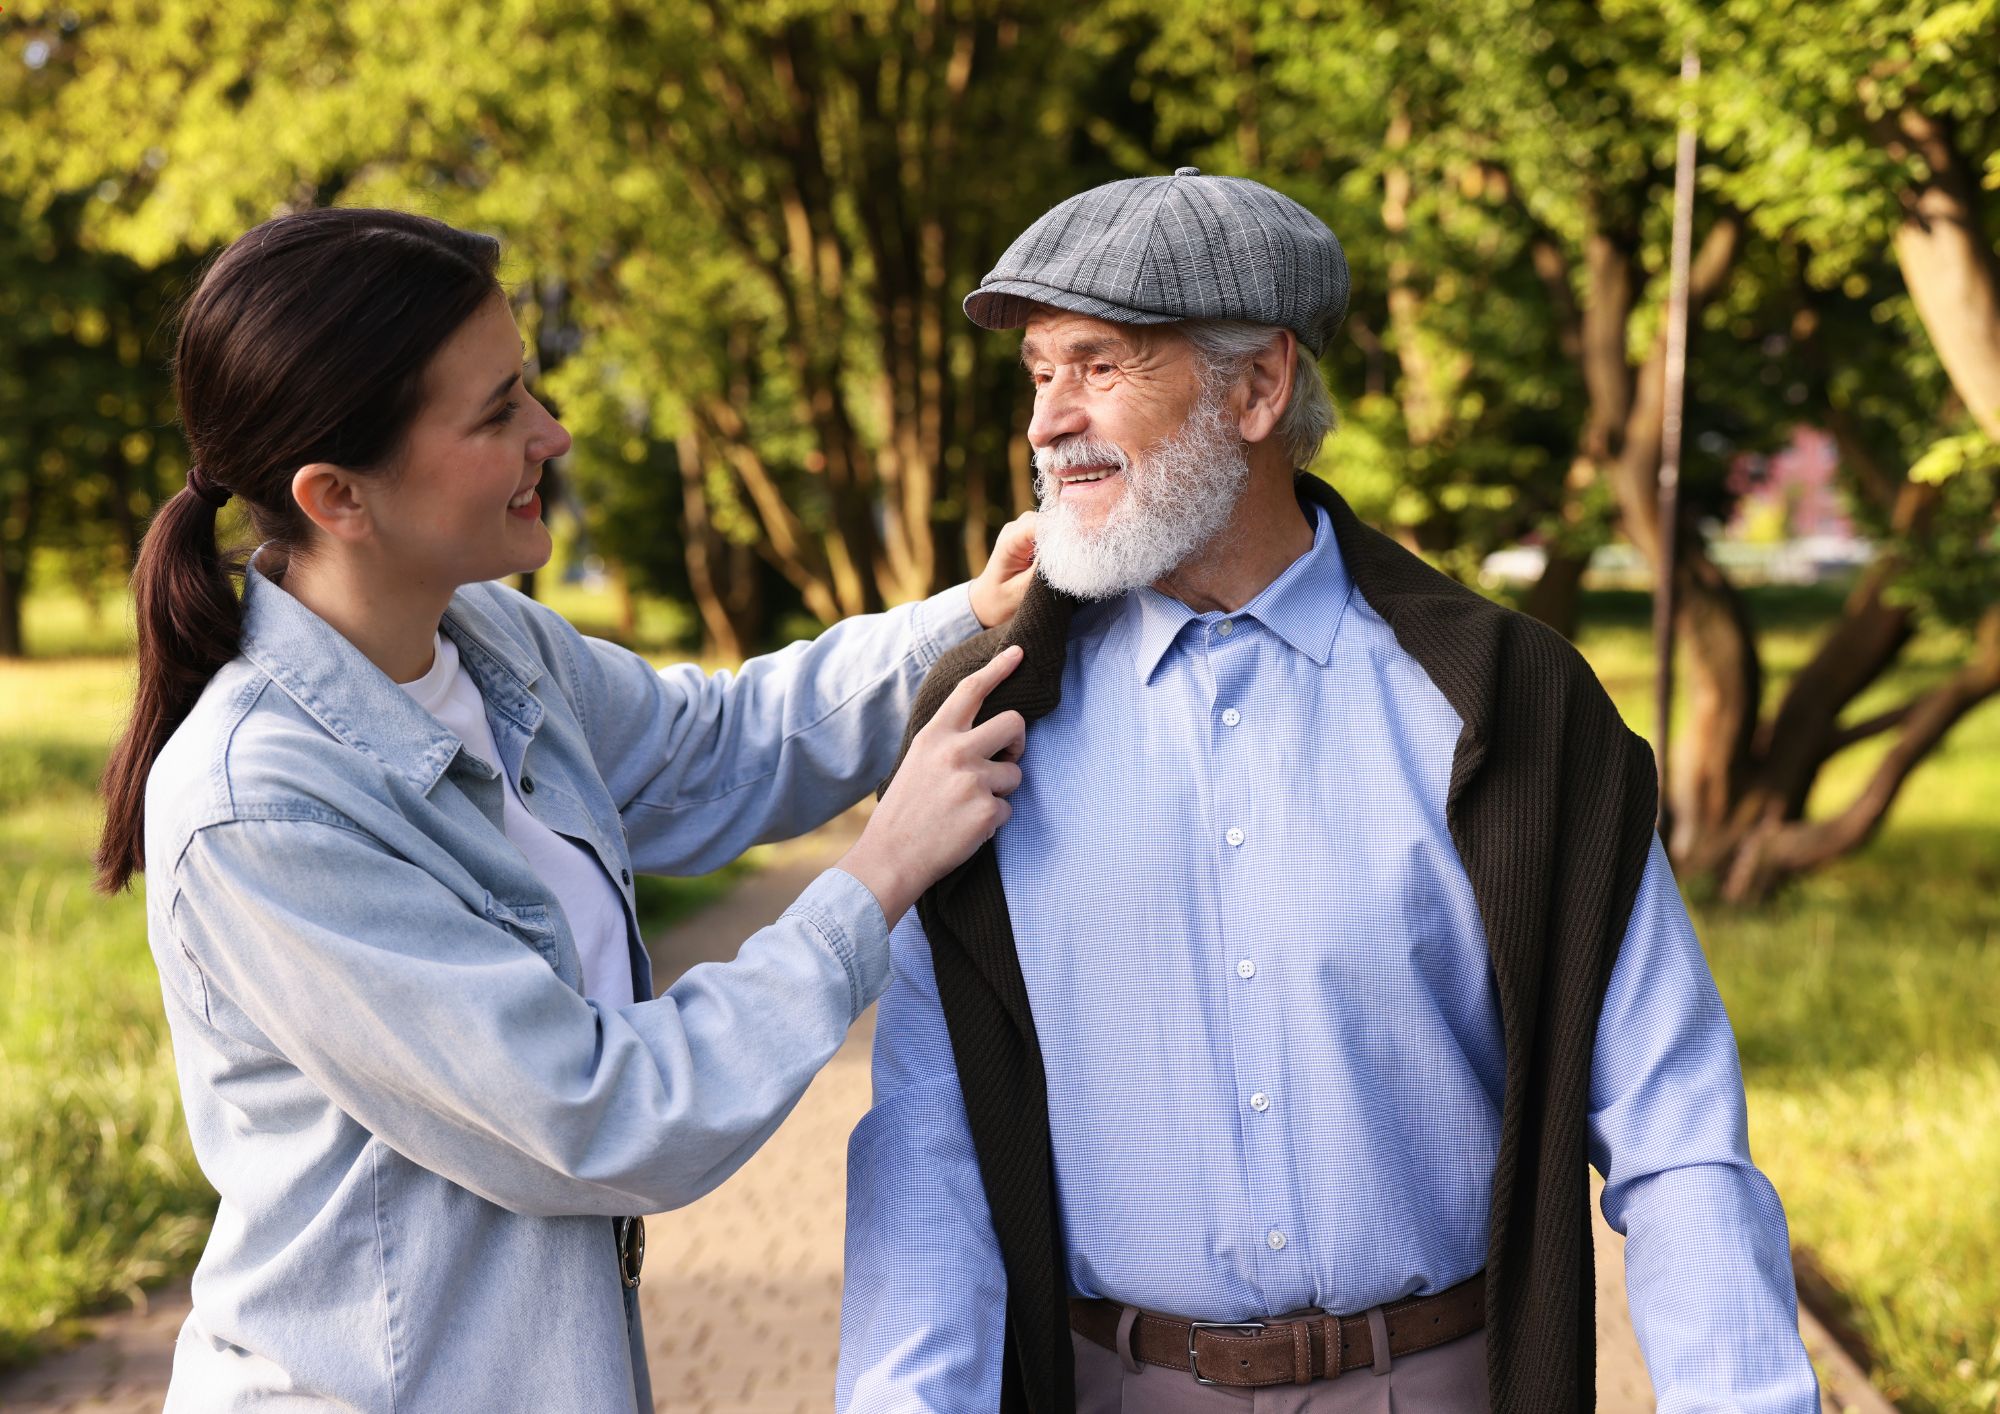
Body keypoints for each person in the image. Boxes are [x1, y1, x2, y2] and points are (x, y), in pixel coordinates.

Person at [837, 170, 1821, 1412]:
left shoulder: (1512, 706)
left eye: (1097, 366)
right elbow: (928, 1151)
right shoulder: (982, 724)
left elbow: (1676, 1131)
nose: (1046, 420)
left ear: (1257, 388)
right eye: (1038, 371)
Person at [93, 206, 1037, 1412]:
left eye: (526, 386)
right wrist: (874, 880)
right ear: (336, 495)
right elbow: (600, 1113)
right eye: (497, 414)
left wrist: (969, 614)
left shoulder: (487, 640)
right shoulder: (259, 806)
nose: (554, 431)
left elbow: (714, 747)